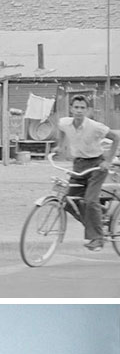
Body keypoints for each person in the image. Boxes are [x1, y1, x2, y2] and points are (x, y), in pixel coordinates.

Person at [55, 93, 120, 251]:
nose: (79, 111)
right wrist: (60, 145)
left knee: (90, 200)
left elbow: (116, 138)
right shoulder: (65, 122)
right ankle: (96, 220)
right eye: (76, 107)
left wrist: (107, 161)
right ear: (71, 109)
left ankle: (97, 238)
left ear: (88, 110)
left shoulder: (95, 126)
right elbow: (61, 130)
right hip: (78, 165)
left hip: (97, 166)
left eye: (82, 108)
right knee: (68, 201)